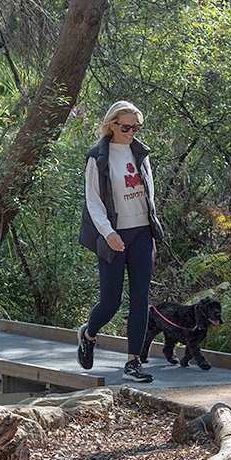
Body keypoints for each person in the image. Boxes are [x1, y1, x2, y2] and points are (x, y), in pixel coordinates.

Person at [76, 101, 164, 382]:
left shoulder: (140, 153)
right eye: (126, 127)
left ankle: (133, 363)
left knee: (140, 300)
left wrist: (152, 233)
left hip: (141, 232)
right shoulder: (97, 157)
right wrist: (108, 233)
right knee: (111, 301)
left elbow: (149, 196)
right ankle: (88, 334)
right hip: (113, 235)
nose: (131, 132)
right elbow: (94, 201)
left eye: (136, 127)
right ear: (112, 124)